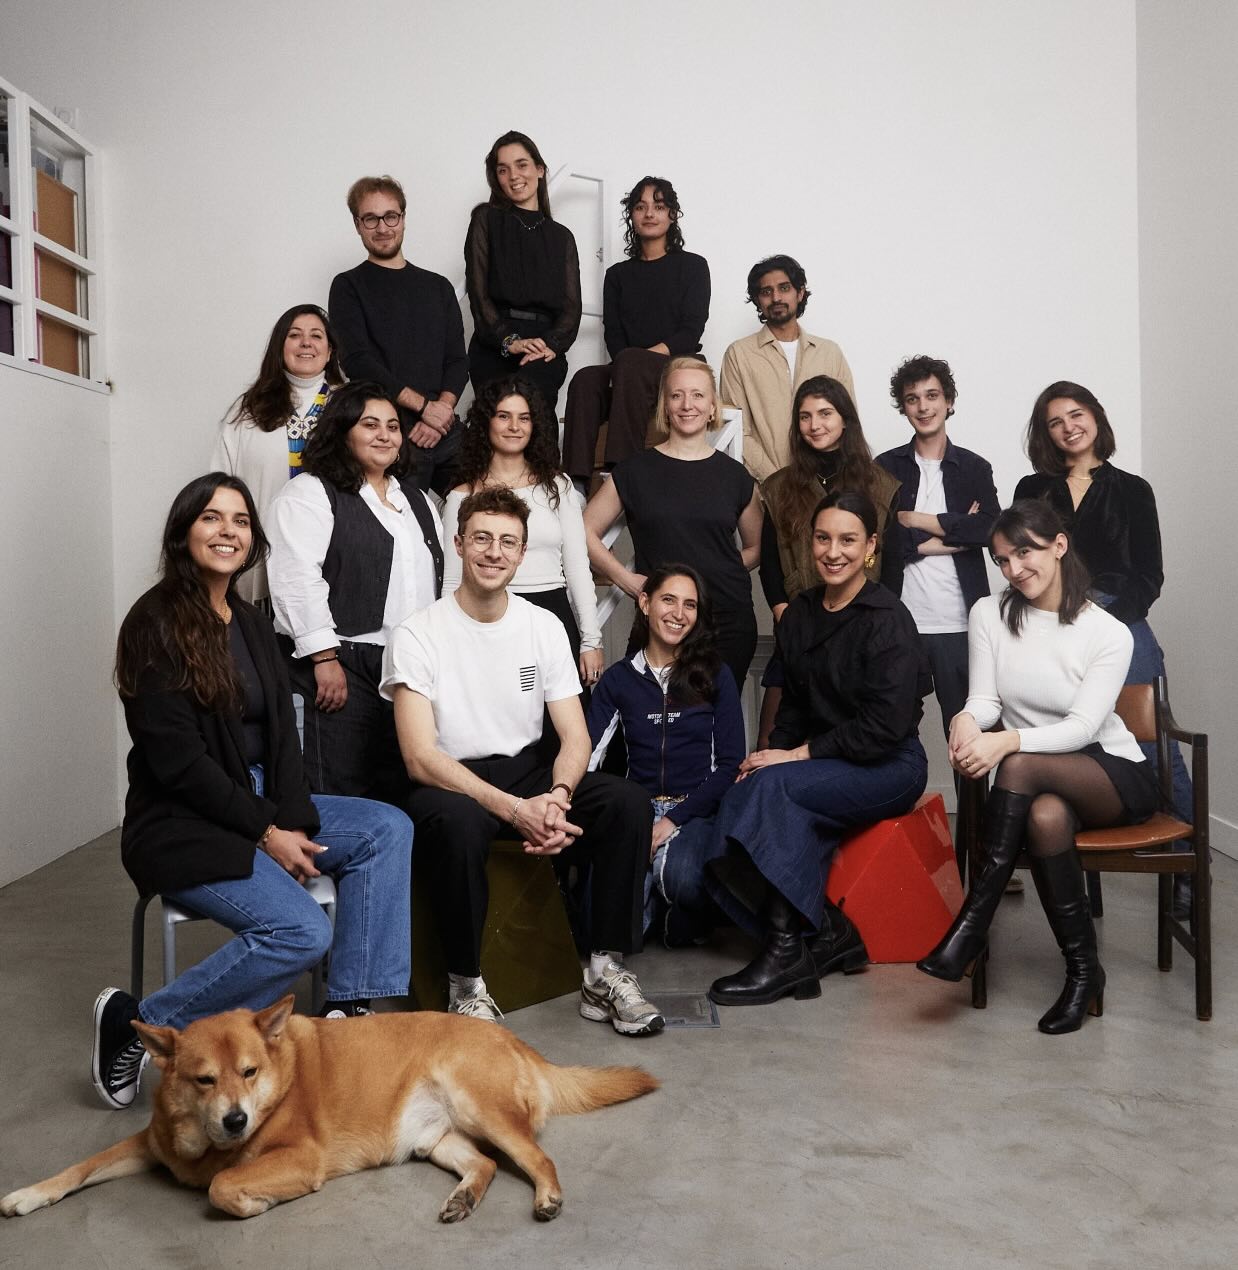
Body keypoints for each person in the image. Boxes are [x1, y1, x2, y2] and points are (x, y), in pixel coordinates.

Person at [92, 473, 413, 1111]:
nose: (228, 531)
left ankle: (347, 1011)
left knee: (386, 828)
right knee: (301, 933)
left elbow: (282, 740)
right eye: (211, 518)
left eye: (240, 521)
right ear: (183, 533)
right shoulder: (154, 624)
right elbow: (181, 765)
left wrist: (288, 820)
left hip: (259, 801)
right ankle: (138, 1023)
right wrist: (266, 833)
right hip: (182, 820)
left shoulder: (248, 620)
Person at [381, 486, 663, 1036]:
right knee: (460, 824)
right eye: (482, 538)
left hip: (529, 773)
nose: (494, 552)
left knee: (626, 802)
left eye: (508, 542)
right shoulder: (418, 632)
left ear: (522, 553)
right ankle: (466, 988)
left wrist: (557, 798)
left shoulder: (542, 626)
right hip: (450, 782)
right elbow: (419, 757)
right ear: (459, 544)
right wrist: (515, 809)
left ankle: (603, 972)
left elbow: (575, 738)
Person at [917, 500, 1161, 1034]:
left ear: (1059, 545)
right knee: (1045, 817)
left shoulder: (1108, 632)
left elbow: (1083, 728)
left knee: (1018, 765)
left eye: (1024, 552)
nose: (1013, 569)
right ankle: (1084, 972)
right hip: (1041, 776)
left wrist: (1005, 742)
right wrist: (964, 719)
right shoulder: (989, 613)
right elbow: (985, 699)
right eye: (1002, 559)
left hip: (1109, 772)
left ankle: (972, 926)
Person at [706, 491, 929, 1007]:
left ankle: (787, 951)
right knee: (745, 789)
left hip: (888, 765)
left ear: (870, 547)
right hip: (823, 759)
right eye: (823, 538)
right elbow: (792, 709)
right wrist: (771, 755)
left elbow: (886, 727)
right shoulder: (802, 612)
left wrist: (794, 758)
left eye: (848, 540)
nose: (833, 551)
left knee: (777, 790)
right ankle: (829, 930)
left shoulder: (888, 618)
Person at [1014, 381, 1193, 908]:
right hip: (1051, 624)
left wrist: (1101, 617)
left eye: (1076, 414)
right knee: (1063, 738)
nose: (1068, 427)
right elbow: (1023, 560)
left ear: (1095, 417)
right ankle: (1065, 863)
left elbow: (1150, 576)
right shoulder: (1033, 487)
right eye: (1055, 421)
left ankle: (1186, 867)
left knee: (1155, 746)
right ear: (1045, 433)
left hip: (1121, 623)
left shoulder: (1133, 489)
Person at [267, 382, 443, 804]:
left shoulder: (418, 500)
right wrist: (324, 658)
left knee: (404, 789)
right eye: (370, 425)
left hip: (406, 666)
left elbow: (436, 584)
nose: (385, 435)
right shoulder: (309, 492)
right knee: (339, 789)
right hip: (341, 663)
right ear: (342, 431)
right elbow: (296, 578)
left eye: (393, 427)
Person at [876, 356, 1001, 877]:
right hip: (900, 623)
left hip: (960, 624)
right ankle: (889, 859)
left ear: (948, 401)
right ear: (903, 407)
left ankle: (983, 858)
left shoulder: (974, 467)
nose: (923, 407)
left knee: (969, 742)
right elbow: (884, 538)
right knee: (887, 734)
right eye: (912, 399)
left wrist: (919, 521)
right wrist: (951, 533)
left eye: (932, 396)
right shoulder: (885, 466)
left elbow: (991, 530)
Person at [587, 565, 745, 946]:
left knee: (681, 878)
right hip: (636, 809)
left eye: (690, 605)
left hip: (696, 810)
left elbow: (730, 765)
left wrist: (673, 819)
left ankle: (681, 906)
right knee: (603, 925)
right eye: (668, 600)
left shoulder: (715, 674)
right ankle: (657, 910)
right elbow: (586, 756)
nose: (679, 613)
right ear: (645, 603)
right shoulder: (620, 679)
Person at [584, 357, 763, 690]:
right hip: (660, 622)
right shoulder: (634, 472)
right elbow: (584, 531)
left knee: (715, 718)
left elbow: (757, 547)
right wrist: (626, 579)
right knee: (646, 714)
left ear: (712, 407)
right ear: (664, 406)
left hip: (727, 621)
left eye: (698, 395)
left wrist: (717, 569)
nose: (687, 404)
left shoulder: (736, 477)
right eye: (676, 395)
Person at [758, 374, 902, 745]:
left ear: (845, 420)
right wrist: (785, 615)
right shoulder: (778, 487)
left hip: (861, 631)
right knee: (772, 745)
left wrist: (875, 621)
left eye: (825, 414)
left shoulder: (881, 485)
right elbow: (770, 562)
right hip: (798, 627)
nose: (814, 425)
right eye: (805, 417)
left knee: (846, 741)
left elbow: (893, 566)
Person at [441, 375, 602, 685]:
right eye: (504, 416)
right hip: (486, 618)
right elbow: (452, 580)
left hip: (553, 612)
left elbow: (577, 568)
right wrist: (450, 642)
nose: (514, 426)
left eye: (524, 418)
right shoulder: (462, 496)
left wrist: (591, 640)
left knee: (563, 714)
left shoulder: (558, 487)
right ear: (487, 423)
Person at [561, 176, 710, 485]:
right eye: (641, 207)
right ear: (632, 215)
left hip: (678, 364)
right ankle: (574, 484)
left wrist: (640, 358)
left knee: (630, 361)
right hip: (628, 368)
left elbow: (691, 330)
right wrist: (629, 362)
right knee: (585, 379)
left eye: (659, 206)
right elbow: (613, 334)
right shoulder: (617, 275)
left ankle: (622, 473)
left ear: (672, 214)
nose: (649, 213)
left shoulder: (693, 266)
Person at [329, 174, 467, 495]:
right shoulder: (348, 286)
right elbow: (358, 362)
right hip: (389, 432)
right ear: (357, 224)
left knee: (487, 508)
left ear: (403, 218)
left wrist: (440, 413)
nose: (382, 227)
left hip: (444, 429)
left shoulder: (438, 287)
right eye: (371, 218)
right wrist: (424, 409)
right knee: (399, 521)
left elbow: (458, 360)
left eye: (390, 216)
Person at [211, 304, 345, 603]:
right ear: (279, 347)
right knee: (264, 626)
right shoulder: (248, 409)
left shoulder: (351, 405)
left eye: (316, 336)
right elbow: (220, 485)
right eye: (294, 335)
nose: (306, 343)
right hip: (262, 548)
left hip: (335, 547)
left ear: (330, 350)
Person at [464, 131, 582, 418]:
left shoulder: (562, 237)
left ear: (539, 169)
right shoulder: (486, 219)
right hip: (494, 344)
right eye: (503, 169)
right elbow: (478, 295)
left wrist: (552, 345)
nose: (513, 176)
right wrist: (509, 341)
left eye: (521, 165)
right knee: (497, 418)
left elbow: (571, 309)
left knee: (533, 409)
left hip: (543, 346)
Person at [719, 254, 855, 482]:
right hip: (765, 488)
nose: (776, 298)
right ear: (757, 300)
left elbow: (847, 421)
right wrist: (778, 482)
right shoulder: (739, 354)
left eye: (784, 288)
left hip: (829, 485)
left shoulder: (829, 352)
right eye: (766, 291)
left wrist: (828, 481)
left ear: (800, 293)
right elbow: (737, 429)